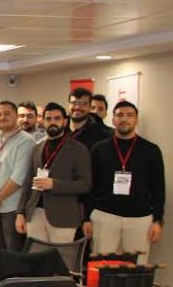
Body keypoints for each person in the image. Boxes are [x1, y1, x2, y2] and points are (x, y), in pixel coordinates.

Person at [85, 101, 164, 263]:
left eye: (129, 115)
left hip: (140, 219)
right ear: (113, 120)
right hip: (105, 216)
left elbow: (158, 188)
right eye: (120, 115)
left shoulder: (151, 150)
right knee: (102, 267)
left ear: (136, 120)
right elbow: (91, 185)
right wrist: (86, 218)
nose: (124, 119)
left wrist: (158, 220)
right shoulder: (99, 149)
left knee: (137, 268)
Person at [16, 103, 91, 244]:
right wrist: (21, 212)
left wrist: (54, 184)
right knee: (35, 255)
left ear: (65, 121)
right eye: (48, 119)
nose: (52, 122)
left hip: (63, 216)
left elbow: (85, 185)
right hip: (35, 213)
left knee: (60, 257)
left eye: (57, 118)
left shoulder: (79, 150)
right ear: (43, 121)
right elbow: (28, 182)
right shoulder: (37, 148)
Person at [0, 101, 35, 251]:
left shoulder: (26, 140)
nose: (2, 117)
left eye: (7, 114)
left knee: (13, 254)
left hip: (12, 208)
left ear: (16, 115)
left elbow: (19, 176)